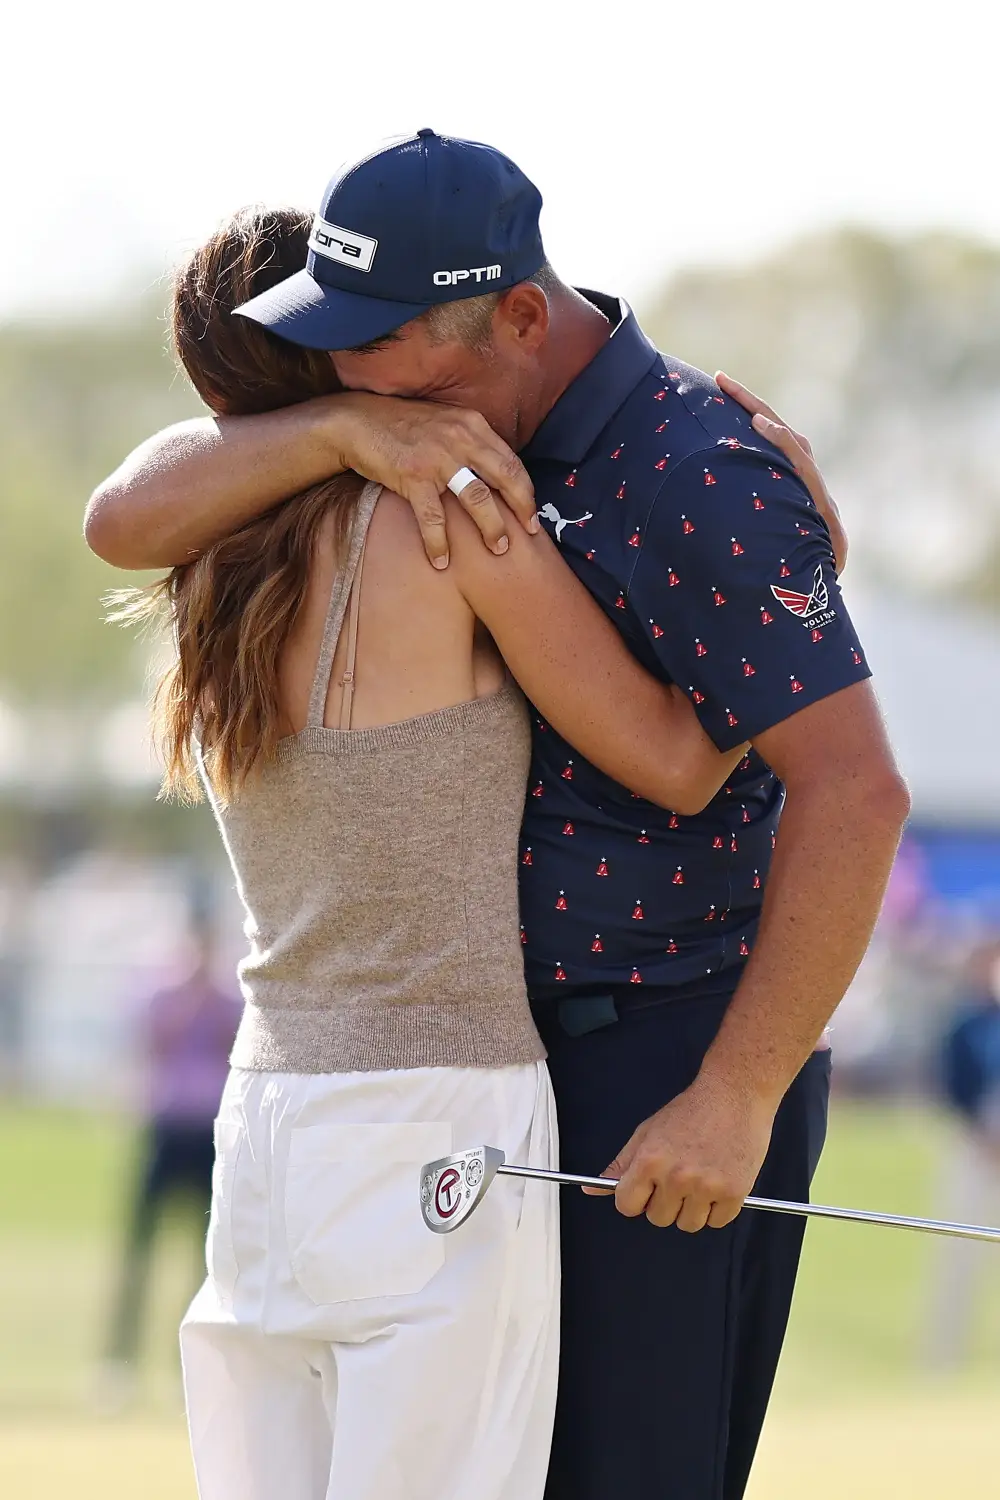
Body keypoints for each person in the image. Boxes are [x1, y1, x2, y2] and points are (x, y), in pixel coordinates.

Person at [87, 133, 910, 1500]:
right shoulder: (403, 475)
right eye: (333, 360)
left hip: (658, 1069)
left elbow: (855, 788)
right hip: (473, 1089)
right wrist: (348, 428)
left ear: (520, 316)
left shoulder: (694, 469)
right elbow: (120, 512)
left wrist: (736, 1097)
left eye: (387, 357)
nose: (365, 386)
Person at [100, 917, 240, 1404]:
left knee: (206, 1256)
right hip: (166, 1125)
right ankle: (119, 1360)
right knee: (140, 1248)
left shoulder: (228, 998)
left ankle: (189, 1364)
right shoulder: (162, 992)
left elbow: (233, 1049)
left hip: (206, 1132)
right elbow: (150, 1044)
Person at [925, 939, 1000, 1369]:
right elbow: (954, 1086)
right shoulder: (967, 1024)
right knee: (960, 1249)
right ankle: (944, 1353)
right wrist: (980, 1132)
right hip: (974, 1146)